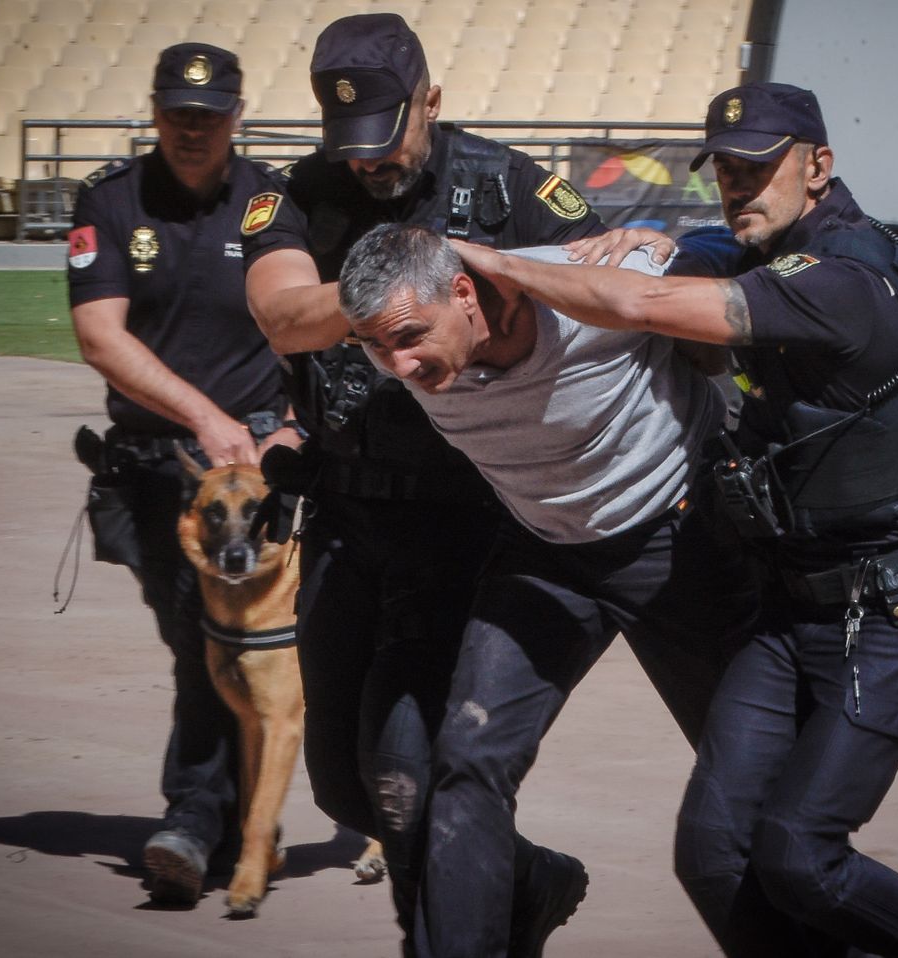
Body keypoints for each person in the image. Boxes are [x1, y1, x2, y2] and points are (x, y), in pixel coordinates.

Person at [455, 82, 898, 957]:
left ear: (819, 168)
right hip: (792, 603)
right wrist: (667, 243)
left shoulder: (845, 278)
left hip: (893, 612)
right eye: (726, 169)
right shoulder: (754, 249)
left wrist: (503, 265)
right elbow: (692, 261)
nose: (739, 186)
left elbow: (648, 307)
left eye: (760, 168)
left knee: (799, 855)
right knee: (712, 853)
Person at [239, 13, 656, 954]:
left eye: (388, 139)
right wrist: (413, 290)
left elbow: (603, 280)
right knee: (344, 791)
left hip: (465, 521)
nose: (369, 165)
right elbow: (281, 315)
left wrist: (623, 248)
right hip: (347, 516)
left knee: (403, 770)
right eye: (350, 145)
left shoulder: (507, 185)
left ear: (430, 101)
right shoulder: (297, 191)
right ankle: (528, 879)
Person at [336, 224, 757, 958]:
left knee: (750, 801)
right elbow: (280, 318)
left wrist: (679, 245)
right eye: (376, 347)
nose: (399, 365)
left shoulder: (586, 290)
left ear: (464, 292)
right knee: (464, 758)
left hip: (676, 543)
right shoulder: (402, 341)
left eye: (409, 336)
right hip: (546, 553)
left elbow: (735, 252)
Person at [67, 42, 296, 905]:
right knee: (203, 647)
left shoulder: (272, 201)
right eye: (177, 114)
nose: (192, 130)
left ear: (238, 115)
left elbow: (307, 315)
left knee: (230, 651)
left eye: (210, 116)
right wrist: (204, 418)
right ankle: (233, 826)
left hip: (264, 476)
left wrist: (291, 429)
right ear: (154, 113)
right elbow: (100, 336)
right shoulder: (111, 200)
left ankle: (200, 827)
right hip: (164, 472)